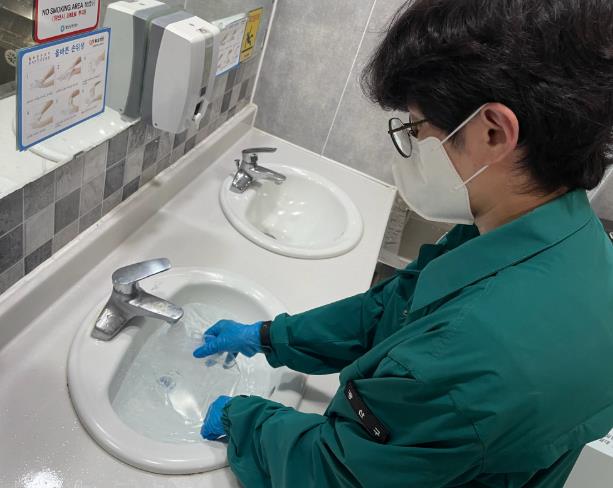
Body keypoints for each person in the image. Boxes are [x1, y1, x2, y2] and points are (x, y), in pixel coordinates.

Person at [192, 0, 613, 486]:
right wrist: (271, 337)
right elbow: (393, 309)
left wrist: (242, 419)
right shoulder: (561, 241)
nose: (408, 145)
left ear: (493, 132)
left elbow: (332, 473)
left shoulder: (466, 352)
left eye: (416, 128)